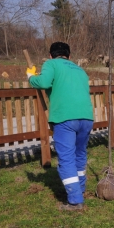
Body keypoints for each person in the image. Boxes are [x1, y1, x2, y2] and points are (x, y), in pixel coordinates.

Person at [27, 42, 94, 211]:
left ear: (51, 55)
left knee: (66, 158)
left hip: (65, 118)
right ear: (69, 56)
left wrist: (31, 77)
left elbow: (43, 82)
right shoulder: (80, 70)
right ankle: (81, 188)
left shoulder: (51, 64)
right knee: (80, 154)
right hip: (86, 117)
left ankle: (75, 200)